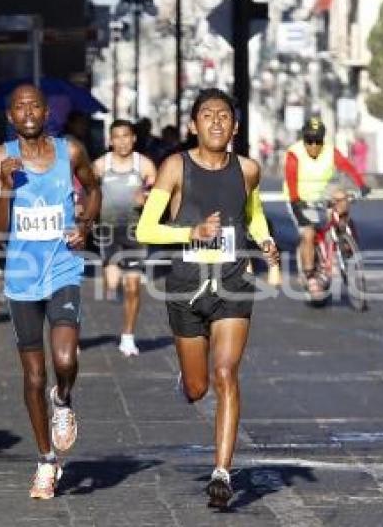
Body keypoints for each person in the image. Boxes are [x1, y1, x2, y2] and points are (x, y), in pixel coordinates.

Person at [136, 88, 278, 509]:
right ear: (193, 125)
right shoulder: (175, 167)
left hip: (233, 285)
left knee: (225, 374)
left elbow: (253, 215)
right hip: (185, 288)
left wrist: (266, 241)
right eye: (207, 115)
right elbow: (146, 229)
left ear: (234, 126)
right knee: (199, 387)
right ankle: (188, 380)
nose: (216, 122)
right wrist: (189, 232)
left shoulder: (248, 169)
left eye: (224, 116)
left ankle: (221, 472)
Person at [0, 84, 101, 500]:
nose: (28, 111)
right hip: (21, 276)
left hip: (63, 267)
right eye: (20, 106)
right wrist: (5, 184)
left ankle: (63, 399)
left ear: (47, 112)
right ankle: (46, 461)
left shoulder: (70, 152)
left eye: (35, 105)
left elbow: (94, 188)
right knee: (33, 375)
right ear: (10, 116)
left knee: (65, 358)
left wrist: (85, 226)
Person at [284, 118, 370, 294]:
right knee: (309, 233)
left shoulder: (330, 151)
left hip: (322, 192)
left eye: (318, 141)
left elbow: (347, 167)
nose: (314, 145)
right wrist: (297, 204)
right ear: (303, 140)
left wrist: (361, 184)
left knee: (342, 198)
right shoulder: (294, 154)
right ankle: (310, 275)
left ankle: (344, 239)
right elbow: (291, 181)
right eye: (309, 141)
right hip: (300, 197)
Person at [92, 119, 157, 356]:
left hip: (135, 231)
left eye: (126, 136)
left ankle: (127, 337)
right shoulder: (100, 165)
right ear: (110, 140)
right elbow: (86, 190)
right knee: (112, 285)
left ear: (134, 138)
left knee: (133, 286)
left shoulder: (144, 164)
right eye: (116, 137)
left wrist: (148, 195)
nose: (121, 141)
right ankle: (112, 284)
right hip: (107, 230)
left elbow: (159, 191)